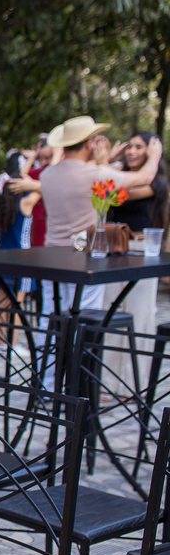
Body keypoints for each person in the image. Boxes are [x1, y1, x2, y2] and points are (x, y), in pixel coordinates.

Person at [24, 117, 162, 316]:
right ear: (89, 144)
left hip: (51, 255)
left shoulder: (47, 175)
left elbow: (74, 170)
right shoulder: (95, 175)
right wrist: (154, 155)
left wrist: (107, 161)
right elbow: (145, 178)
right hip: (83, 257)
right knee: (83, 317)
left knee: (51, 315)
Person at [102, 132, 170, 384]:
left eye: (139, 147)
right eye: (129, 147)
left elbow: (118, 194)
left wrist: (154, 157)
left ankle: (134, 384)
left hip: (142, 251)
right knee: (110, 313)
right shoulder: (118, 174)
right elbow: (103, 188)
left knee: (140, 316)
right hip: (113, 249)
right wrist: (110, 160)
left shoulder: (157, 182)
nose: (131, 151)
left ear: (151, 151)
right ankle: (107, 382)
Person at [0, 151, 40, 325]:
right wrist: (33, 161)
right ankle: (12, 340)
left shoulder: (2, 198)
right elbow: (42, 188)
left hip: (3, 256)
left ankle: (0, 339)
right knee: (17, 304)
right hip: (22, 259)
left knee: (2, 302)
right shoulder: (26, 202)